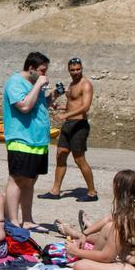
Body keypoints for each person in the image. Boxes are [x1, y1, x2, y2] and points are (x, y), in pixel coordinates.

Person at [2, 52, 54, 229]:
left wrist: (54, 96)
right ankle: (13, 220)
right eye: (41, 71)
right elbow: (24, 106)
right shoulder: (15, 82)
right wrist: (39, 84)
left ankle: (28, 220)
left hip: (38, 141)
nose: (44, 75)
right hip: (21, 139)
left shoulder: (34, 84)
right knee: (17, 180)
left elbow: (38, 106)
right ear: (31, 68)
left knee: (30, 180)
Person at [40, 57, 98, 202]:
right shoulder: (71, 84)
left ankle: (92, 193)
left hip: (79, 125)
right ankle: (55, 191)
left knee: (79, 159)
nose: (75, 72)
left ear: (82, 68)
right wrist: (59, 107)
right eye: (72, 69)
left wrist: (65, 115)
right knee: (61, 154)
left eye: (78, 69)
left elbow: (85, 107)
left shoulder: (86, 85)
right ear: (69, 70)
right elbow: (73, 104)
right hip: (68, 124)